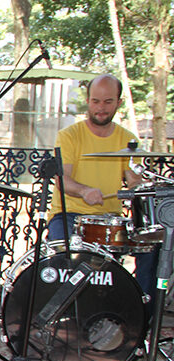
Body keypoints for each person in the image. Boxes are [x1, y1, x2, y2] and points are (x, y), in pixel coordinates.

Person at [48, 73, 152, 296]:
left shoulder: (128, 139)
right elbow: (61, 180)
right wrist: (84, 191)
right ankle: (57, 316)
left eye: (107, 102)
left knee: (153, 252)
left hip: (110, 220)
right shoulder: (70, 136)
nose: (101, 108)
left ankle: (138, 319)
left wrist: (136, 184)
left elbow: (133, 180)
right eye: (95, 101)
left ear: (118, 102)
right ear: (88, 101)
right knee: (65, 261)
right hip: (69, 216)